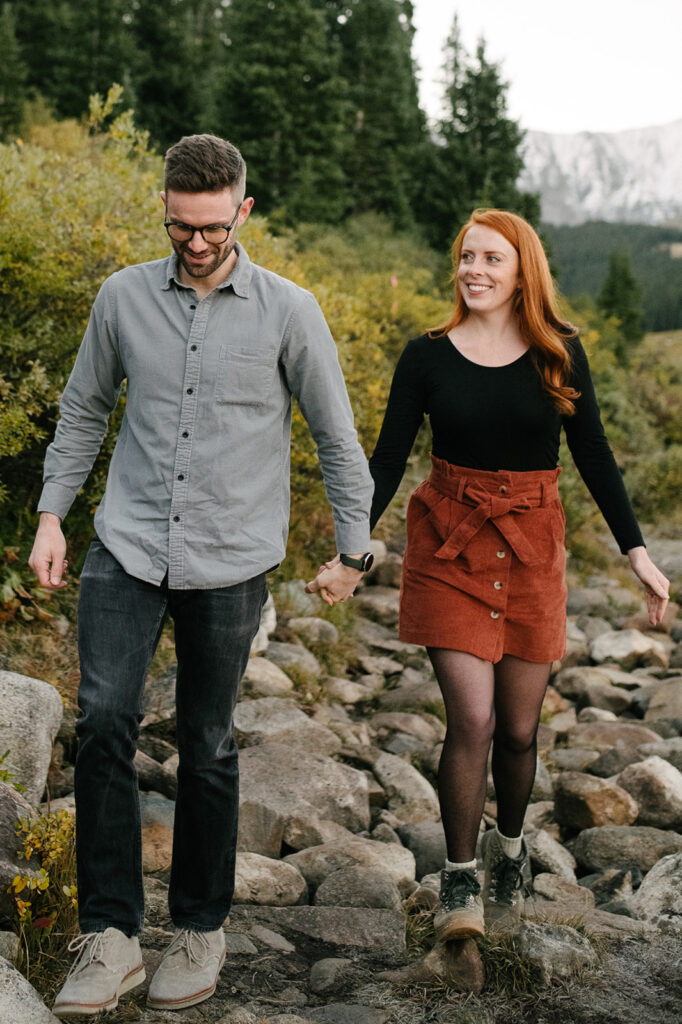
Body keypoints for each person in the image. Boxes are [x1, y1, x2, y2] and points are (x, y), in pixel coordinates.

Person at [28, 133, 374, 1017]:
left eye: (213, 227)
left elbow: (337, 438)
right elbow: (83, 408)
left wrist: (353, 546)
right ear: (166, 210)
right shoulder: (121, 298)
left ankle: (199, 926)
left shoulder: (290, 311)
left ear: (243, 212)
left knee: (207, 741)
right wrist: (49, 518)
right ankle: (109, 938)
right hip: (128, 544)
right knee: (103, 719)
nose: (197, 242)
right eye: (182, 226)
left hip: (231, 561)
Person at [366, 208, 669, 941]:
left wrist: (637, 552)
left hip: (532, 547)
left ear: (521, 269)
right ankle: (460, 883)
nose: (473, 270)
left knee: (519, 730)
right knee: (471, 719)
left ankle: (509, 850)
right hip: (450, 545)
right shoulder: (427, 355)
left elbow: (593, 453)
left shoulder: (558, 352)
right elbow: (386, 460)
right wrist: (352, 550)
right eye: (466, 257)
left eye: (490, 259)